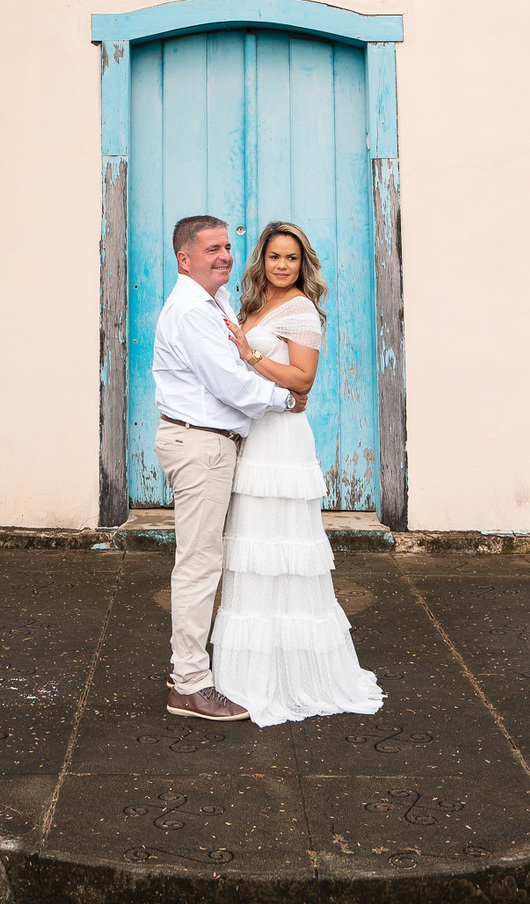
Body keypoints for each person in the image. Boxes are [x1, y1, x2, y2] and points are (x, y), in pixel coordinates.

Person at [212, 220, 384, 727]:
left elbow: (302, 378)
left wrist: (251, 354)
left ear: (301, 263)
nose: (282, 265)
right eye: (273, 257)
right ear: (261, 261)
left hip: (282, 441)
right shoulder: (253, 305)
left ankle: (295, 673)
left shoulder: (301, 309)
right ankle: (250, 671)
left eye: (290, 258)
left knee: (283, 551)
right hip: (256, 434)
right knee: (254, 550)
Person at [153, 215, 307, 722]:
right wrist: (287, 400)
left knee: (205, 560)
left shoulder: (212, 302)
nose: (224, 256)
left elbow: (239, 367)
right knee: (199, 564)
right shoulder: (193, 311)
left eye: (227, 247)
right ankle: (190, 685)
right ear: (184, 258)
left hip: (212, 444)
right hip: (199, 445)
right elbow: (232, 385)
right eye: (212, 249)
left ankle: (194, 673)